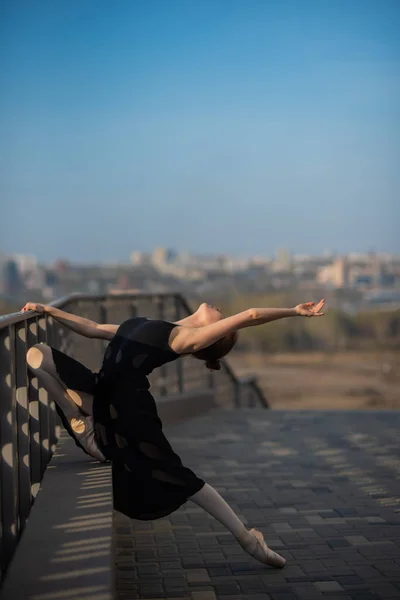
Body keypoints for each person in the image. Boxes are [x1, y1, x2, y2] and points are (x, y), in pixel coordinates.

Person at [22, 298, 325, 568]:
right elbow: (92, 327)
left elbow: (251, 314)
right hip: (100, 391)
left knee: (177, 476)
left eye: (222, 316)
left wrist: (294, 312)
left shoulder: (183, 339)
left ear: (214, 331)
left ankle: (248, 540)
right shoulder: (146, 325)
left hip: (130, 411)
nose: (220, 308)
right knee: (38, 354)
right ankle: (83, 422)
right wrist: (48, 309)